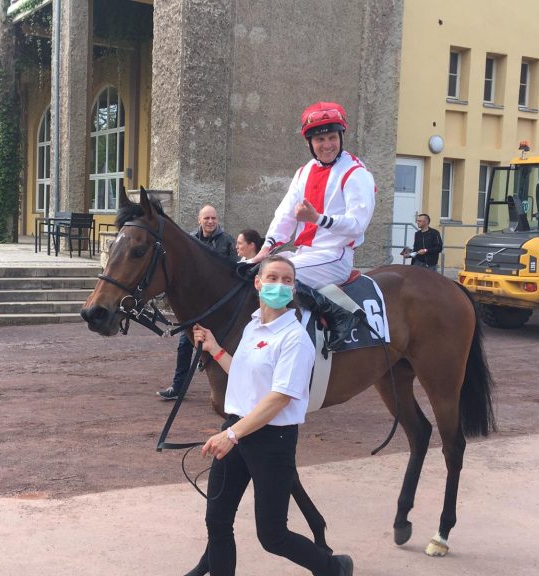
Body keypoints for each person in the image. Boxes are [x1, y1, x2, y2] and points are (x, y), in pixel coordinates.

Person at [192, 255, 353, 576]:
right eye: (272, 278)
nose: (279, 285)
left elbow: (279, 397)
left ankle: (333, 568)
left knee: (272, 536)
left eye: (286, 280)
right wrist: (215, 349)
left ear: (294, 289)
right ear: (258, 283)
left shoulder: (295, 338)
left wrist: (231, 435)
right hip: (237, 430)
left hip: (271, 441)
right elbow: (244, 374)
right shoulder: (254, 327)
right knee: (217, 521)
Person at [251, 101, 376, 350]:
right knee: (248, 270)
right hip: (305, 254)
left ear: (341, 137)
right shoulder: (304, 172)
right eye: (320, 140)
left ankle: (340, 315)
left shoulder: (355, 172)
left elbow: (357, 225)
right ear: (310, 143)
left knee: (279, 277)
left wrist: (318, 218)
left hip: (335, 256)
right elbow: (285, 214)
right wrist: (267, 248)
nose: (327, 145)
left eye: (332, 137)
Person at [157, 204, 237, 400]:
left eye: (214, 218)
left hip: (219, 307)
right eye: (207, 218)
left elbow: (233, 270)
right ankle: (178, 387)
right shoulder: (190, 240)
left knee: (224, 346)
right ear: (199, 220)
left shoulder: (227, 241)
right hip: (196, 308)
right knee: (185, 345)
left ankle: (230, 390)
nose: (210, 222)